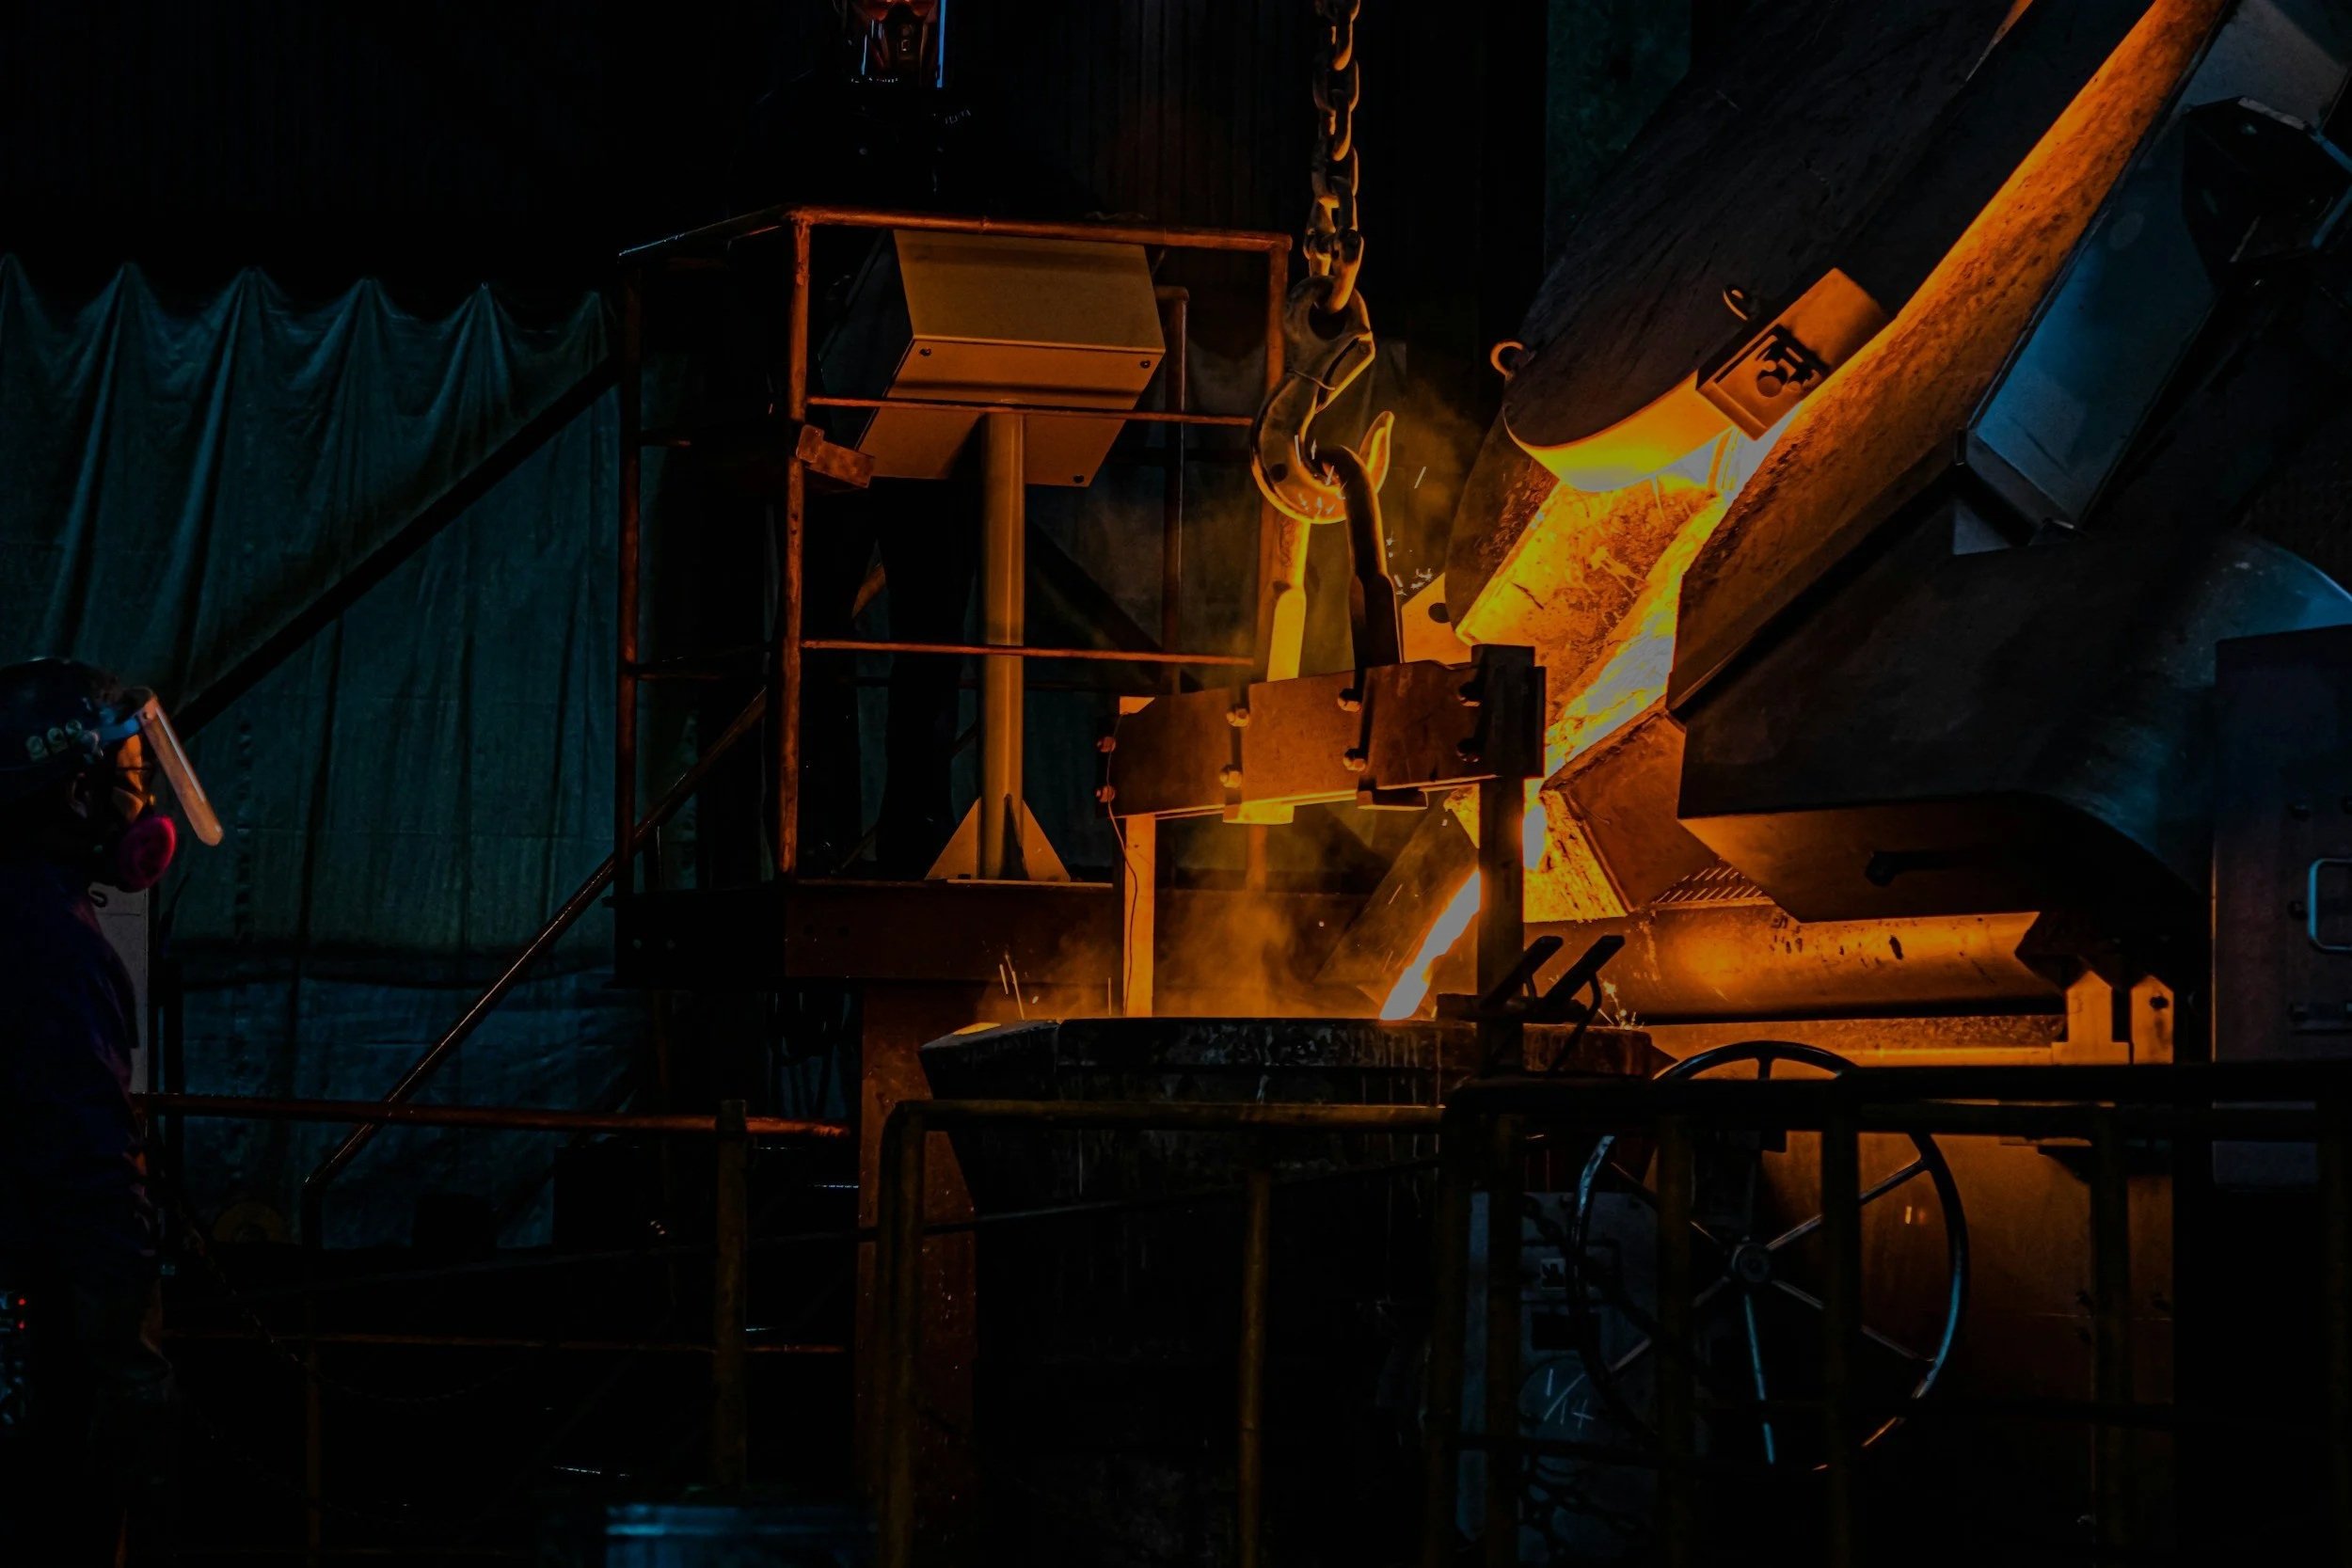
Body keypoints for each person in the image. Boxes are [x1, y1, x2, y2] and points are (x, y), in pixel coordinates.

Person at [0, 658, 221, 1565]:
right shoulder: (55, 944)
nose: (142, 800)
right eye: (129, 776)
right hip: (41, 1319)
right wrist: (132, 1359)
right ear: (77, 792)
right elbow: (88, 1160)